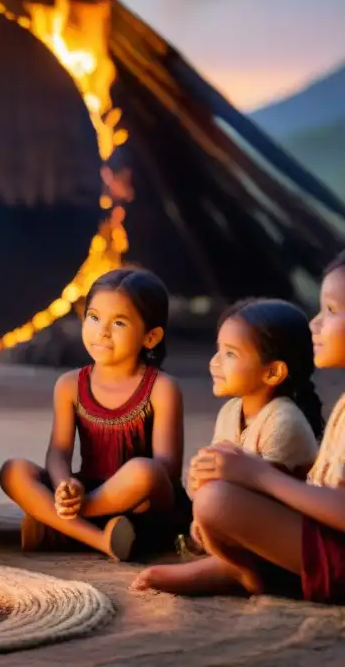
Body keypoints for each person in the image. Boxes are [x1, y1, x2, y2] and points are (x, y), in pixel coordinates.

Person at [129, 252, 345, 603]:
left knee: (218, 502)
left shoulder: (285, 418)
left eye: (332, 311)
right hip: (320, 538)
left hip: (335, 554)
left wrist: (258, 475)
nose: (315, 325)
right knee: (213, 498)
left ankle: (248, 572)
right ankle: (243, 566)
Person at [0, 267, 187, 561]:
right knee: (13, 471)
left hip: (141, 503)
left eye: (120, 323)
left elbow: (166, 470)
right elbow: (59, 452)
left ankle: (57, 523)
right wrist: (64, 485)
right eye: (94, 317)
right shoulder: (69, 385)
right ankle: (101, 539)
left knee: (144, 470)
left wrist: (79, 503)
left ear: (150, 337)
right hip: (89, 488)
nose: (102, 331)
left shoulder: (161, 388)